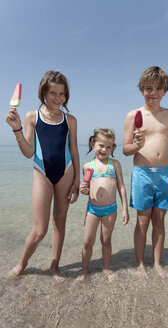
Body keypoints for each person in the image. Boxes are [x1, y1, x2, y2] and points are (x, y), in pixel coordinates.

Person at [6, 70, 80, 281]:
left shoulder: (70, 120)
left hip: (66, 172)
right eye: (53, 93)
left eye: (62, 94)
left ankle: (54, 266)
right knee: (39, 230)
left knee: (60, 222)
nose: (57, 98)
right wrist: (17, 130)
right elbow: (29, 152)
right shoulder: (32, 116)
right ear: (43, 93)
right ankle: (22, 264)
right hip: (41, 172)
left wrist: (77, 180)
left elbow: (74, 150)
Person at [123, 66, 168, 279]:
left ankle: (157, 263)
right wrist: (137, 145)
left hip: (165, 172)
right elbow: (125, 150)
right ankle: (140, 264)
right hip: (142, 172)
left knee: (159, 219)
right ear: (141, 89)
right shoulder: (133, 115)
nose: (152, 93)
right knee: (142, 220)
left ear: (165, 91)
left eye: (158, 88)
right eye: (148, 88)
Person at [78, 128, 129, 282]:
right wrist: (83, 190)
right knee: (87, 241)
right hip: (92, 209)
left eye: (109, 147)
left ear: (113, 148)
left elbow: (121, 186)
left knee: (106, 240)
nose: (104, 149)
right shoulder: (87, 166)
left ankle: (106, 268)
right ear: (93, 144)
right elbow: (86, 189)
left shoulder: (115, 164)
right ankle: (84, 270)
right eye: (101, 145)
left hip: (110, 210)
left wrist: (125, 209)